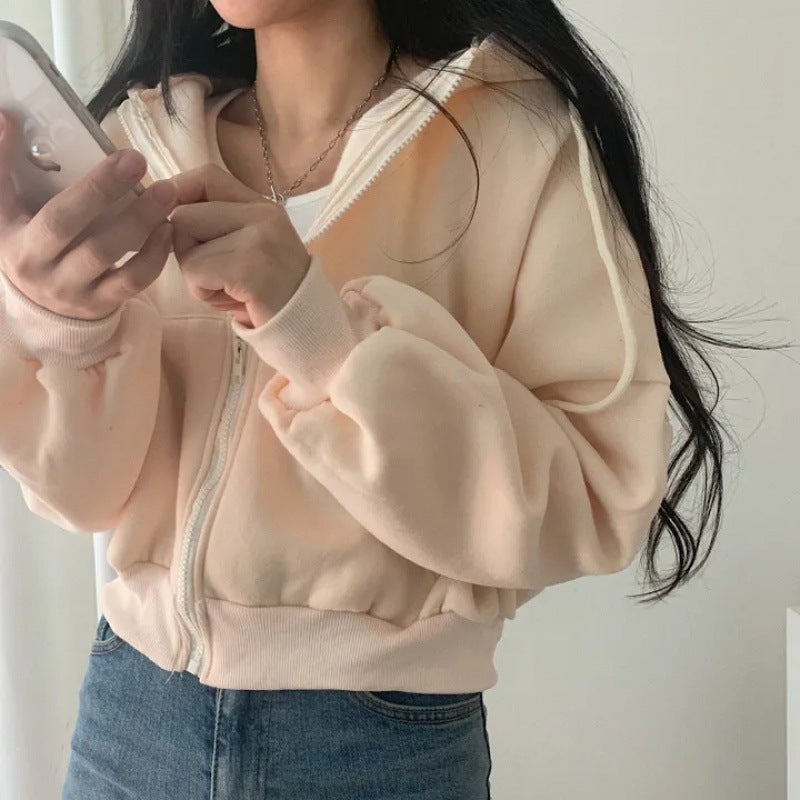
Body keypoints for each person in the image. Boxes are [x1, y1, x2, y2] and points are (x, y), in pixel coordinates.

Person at [0, 1, 759, 797]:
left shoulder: (520, 140)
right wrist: (65, 328)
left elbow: (596, 498)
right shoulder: (134, 146)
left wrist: (320, 334)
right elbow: (87, 494)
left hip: (378, 745)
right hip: (130, 722)